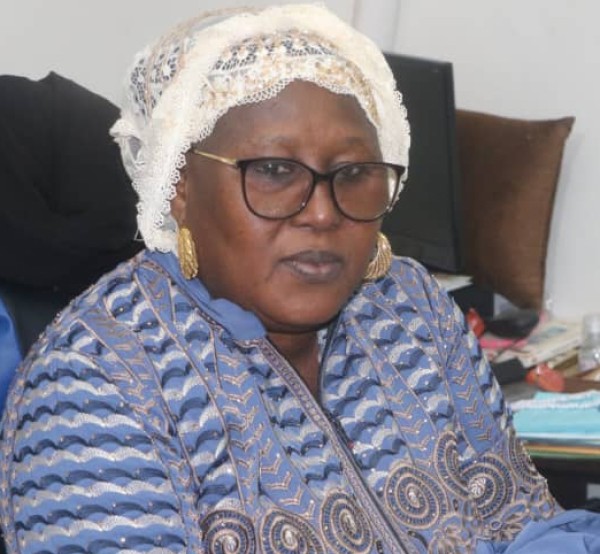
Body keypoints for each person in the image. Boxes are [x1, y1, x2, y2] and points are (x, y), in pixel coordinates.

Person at [0, 4, 598, 553]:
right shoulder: (93, 385)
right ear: (178, 187)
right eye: (274, 170)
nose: (322, 212)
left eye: (354, 172)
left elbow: (522, 523)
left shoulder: (409, 306)